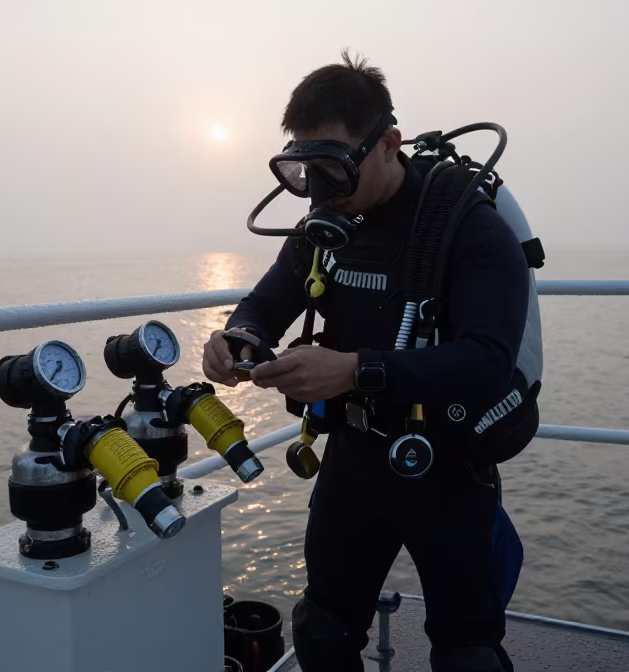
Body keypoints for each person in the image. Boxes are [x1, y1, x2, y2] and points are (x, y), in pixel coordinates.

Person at [201, 52, 532, 672]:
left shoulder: (467, 228)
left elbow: (488, 364)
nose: (321, 189)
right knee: (323, 632)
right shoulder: (326, 227)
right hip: (353, 461)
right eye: (305, 170)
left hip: (447, 463)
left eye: (333, 166)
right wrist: (238, 337)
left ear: (387, 143)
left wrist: (354, 370)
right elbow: (267, 301)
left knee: (467, 654)